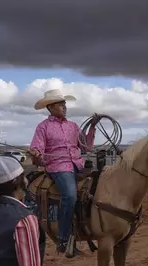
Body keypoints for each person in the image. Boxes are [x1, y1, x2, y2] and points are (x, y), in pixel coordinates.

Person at [28, 89, 97, 254]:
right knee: (70, 195)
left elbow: (86, 147)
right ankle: (63, 239)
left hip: (78, 164)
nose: (64, 107)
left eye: (64, 104)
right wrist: (36, 154)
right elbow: (37, 149)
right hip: (58, 166)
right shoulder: (43, 127)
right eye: (60, 104)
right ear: (50, 107)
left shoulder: (73, 126)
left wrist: (92, 127)